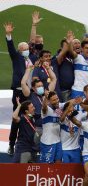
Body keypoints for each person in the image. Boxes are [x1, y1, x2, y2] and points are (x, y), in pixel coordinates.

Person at [4, 21, 38, 155]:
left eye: (27, 48)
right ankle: (12, 145)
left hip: (30, 93)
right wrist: (8, 34)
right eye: (23, 48)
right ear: (19, 51)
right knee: (16, 119)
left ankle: (29, 144)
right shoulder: (16, 56)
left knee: (31, 117)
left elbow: (33, 42)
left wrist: (34, 25)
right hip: (19, 93)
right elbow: (10, 46)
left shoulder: (33, 57)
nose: (26, 50)